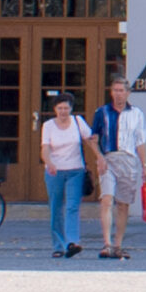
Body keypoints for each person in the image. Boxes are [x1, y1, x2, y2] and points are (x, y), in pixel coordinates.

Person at [88, 79, 146, 260]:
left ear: (128, 93)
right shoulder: (102, 112)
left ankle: (118, 244)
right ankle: (107, 244)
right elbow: (93, 138)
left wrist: (144, 166)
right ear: (111, 92)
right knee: (106, 199)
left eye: (122, 90)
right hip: (109, 158)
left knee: (123, 204)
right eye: (115, 90)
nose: (118, 93)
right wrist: (99, 158)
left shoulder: (136, 114)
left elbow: (141, 141)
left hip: (128, 159)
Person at [38, 95, 88, 258]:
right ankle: (58, 245)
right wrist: (49, 162)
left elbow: (90, 139)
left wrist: (100, 157)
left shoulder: (78, 121)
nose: (63, 111)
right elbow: (45, 148)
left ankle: (72, 242)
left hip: (76, 169)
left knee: (72, 206)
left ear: (71, 108)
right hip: (55, 171)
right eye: (60, 108)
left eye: (66, 108)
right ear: (55, 109)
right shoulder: (48, 126)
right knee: (56, 207)